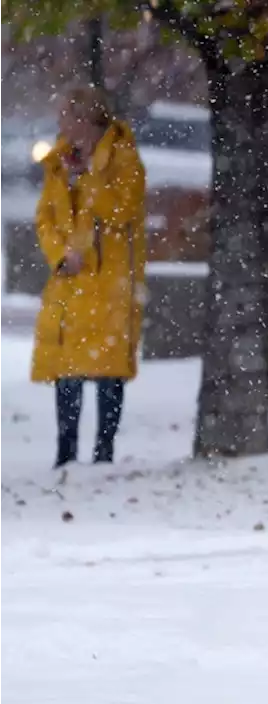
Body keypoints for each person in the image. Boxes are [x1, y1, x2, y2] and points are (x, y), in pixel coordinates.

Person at [31, 85, 147, 468]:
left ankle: (104, 451)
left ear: (90, 121)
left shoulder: (123, 159)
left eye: (71, 118)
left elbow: (122, 212)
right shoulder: (58, 162)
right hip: (71, 278)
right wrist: (60, 254)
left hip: (109, 280)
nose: (65, 127)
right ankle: (65, 451)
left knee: (107, 368)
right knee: (67, 366)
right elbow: (46, 216)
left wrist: (90, 179)